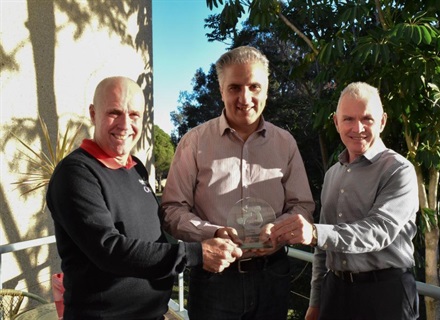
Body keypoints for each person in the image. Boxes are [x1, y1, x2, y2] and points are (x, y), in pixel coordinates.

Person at [46, 76, 242, 320]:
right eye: (115, 112)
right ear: (93, 114)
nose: (125, 124)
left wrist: (210, 234)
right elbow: (108, 249)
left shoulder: (136, 167)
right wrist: (197, 254)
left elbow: (153, 235)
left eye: (134, 115)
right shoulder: (76, 173)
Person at [161, 46, 315, 320]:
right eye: (234, 87)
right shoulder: (194, 142)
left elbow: (301, 205)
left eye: (254, 86)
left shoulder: (285, 143)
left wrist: (279, 230)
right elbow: (172, 210)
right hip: (214, 279)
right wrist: (212, 232)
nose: (245, 98)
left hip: (273, 276)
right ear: (221, 90)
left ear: (266, 90)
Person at [271, 82, 419, 320]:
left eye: (367, 119)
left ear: (382, 122)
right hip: (335, 291)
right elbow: (322, 250)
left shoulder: (399, 170)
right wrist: (316, 302)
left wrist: (316, 233)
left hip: (385, 295)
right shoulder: (332, 174)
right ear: (336, 122)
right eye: (348, 119)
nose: (357, 128)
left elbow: (378, 230)